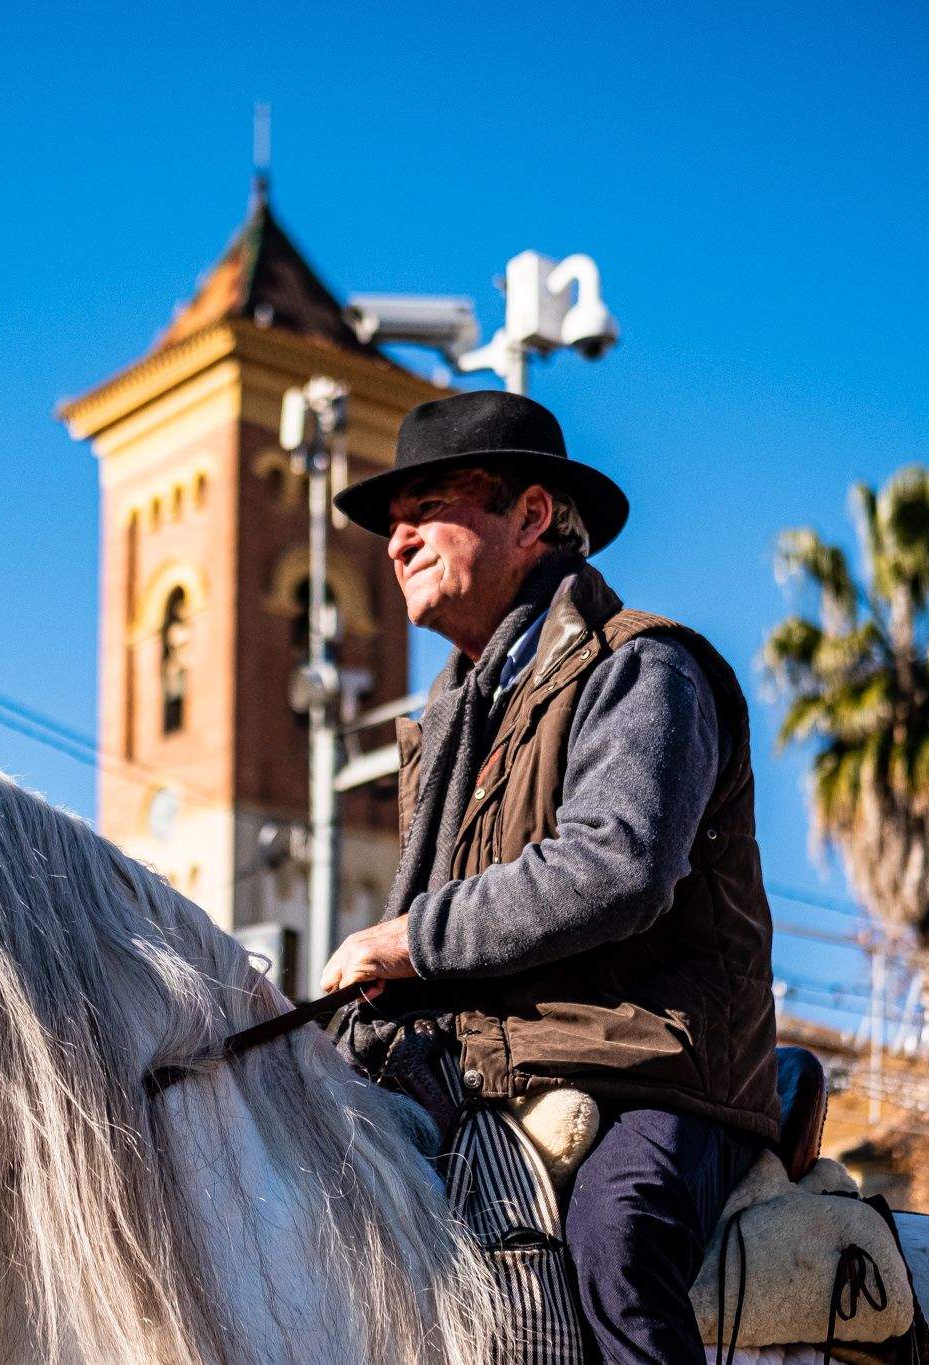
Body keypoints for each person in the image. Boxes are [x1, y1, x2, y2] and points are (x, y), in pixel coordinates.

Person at [320, 390, 780, 1364]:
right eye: (389, 527)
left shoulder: (642, 666)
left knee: (615, 1235)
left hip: (654, 1077)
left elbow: (615, 866)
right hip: (490, 1073)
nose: (395, 544)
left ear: (529, 516)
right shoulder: (455, 716)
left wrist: (403, 941)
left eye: (424, 512)